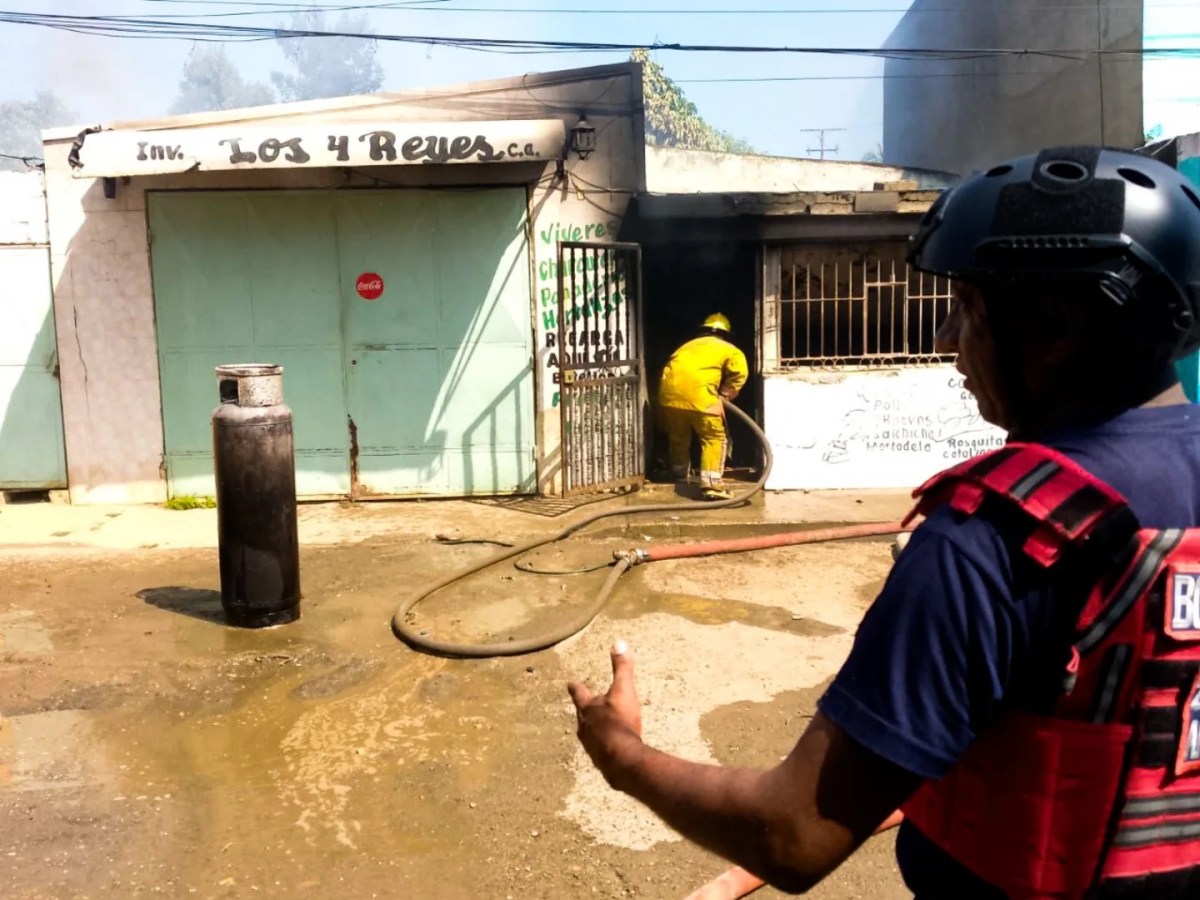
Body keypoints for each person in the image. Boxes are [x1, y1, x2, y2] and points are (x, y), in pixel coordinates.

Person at [568, 145, 1200, 898]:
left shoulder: (989, 540)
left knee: (695, 446)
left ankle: (694, 480)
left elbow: (794, 837)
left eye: (967, 309)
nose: (943, 340)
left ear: (1055, 330)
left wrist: (623, 756)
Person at [657, 313, 749, 501]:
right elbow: (740, 374)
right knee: (714, 438)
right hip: (701, 399)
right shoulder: (730, 349)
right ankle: (712, 485)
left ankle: (678, 474)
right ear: (726, 334)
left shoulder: (686, 346)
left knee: (678, 436)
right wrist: (725, 395)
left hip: (669, 398)